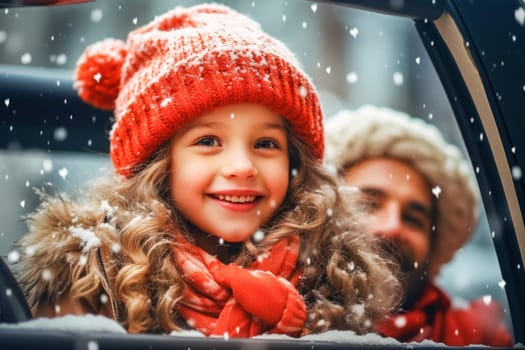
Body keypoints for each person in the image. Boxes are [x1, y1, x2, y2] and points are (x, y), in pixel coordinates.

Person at [13, 4, 401, 338]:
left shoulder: (335, 279)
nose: (241, 167)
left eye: (266, 144)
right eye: (208, 141)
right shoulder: (92, 279)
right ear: (159, 164)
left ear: (294, 164)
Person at [324, 104, 514, 346]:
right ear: (322, 213)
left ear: (434, 247)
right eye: (368, 205)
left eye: (414, 219)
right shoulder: (273, 315)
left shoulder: (477, 337)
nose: (393, 226)